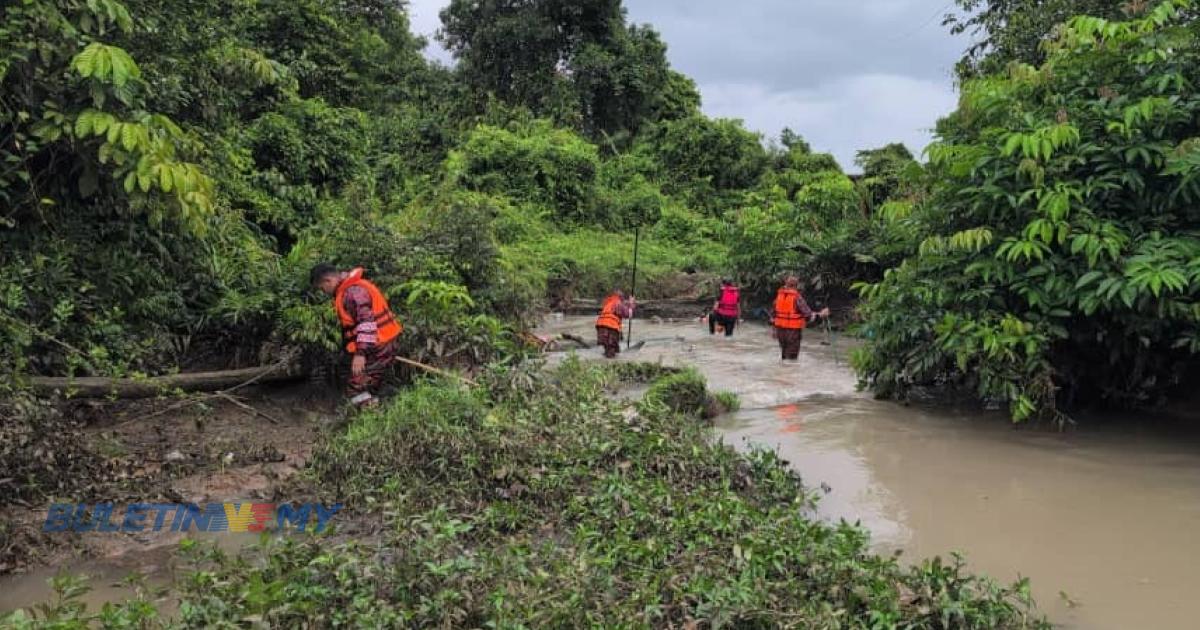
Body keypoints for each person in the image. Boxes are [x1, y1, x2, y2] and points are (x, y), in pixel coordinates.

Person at [310, 263, 403, 406]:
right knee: (368, 384)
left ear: (328, 280)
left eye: (322, 288)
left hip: (378, 346)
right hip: (379, 344)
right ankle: (379, 410)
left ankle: (371, 420)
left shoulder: (352, 292)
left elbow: (366, 323)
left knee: (355, 391)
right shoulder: (348, 290)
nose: (324, 292)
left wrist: (360, 354)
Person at [770, 275, 830, 361]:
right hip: (792, 333)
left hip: (780, 332)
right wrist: (821, 314)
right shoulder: (797, 298)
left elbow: (773, 315)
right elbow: (808, 316)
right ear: (796, 286)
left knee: (784, 356)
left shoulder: (779, 296)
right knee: (791, 359)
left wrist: (774, 330)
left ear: (785, 284)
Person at [595, 290, 635, 359]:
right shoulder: (618, 303)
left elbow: (623, 305)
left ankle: (607, 360)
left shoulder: (609, 302)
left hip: (600, 327)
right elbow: (628, 314)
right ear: (620, 297)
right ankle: (611, 363)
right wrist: (631, 305)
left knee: (608, 348)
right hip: (610, 328)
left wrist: (630, 303)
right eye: (623, 298)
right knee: (611, 350)